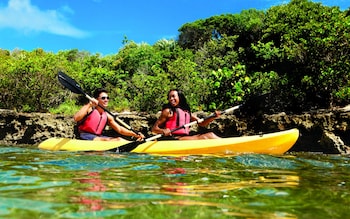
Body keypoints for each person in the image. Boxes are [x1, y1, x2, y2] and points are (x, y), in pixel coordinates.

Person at [73, 88, 144, 141]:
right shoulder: (89, 109)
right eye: (103, 98)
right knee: (118, 140)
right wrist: (89, 104)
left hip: (98, 137)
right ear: (96, 99)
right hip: (85, 136)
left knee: (120, 139)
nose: (106, 100)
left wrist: (135, 134)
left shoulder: (107, 115)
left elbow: (119, 129)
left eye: (107, 98)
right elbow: (76, 118)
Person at [151, 89, 221, 140]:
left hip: (183, 138)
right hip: (173, 138)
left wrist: (213, 117)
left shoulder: (186, 112)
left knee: (210, 135)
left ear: (179, 97)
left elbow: (202, 123)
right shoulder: (168, 111)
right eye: (169, 97)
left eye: (173, 96)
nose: (171, 99)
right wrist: (163, 131)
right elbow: (154, 129)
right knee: (207, 136)